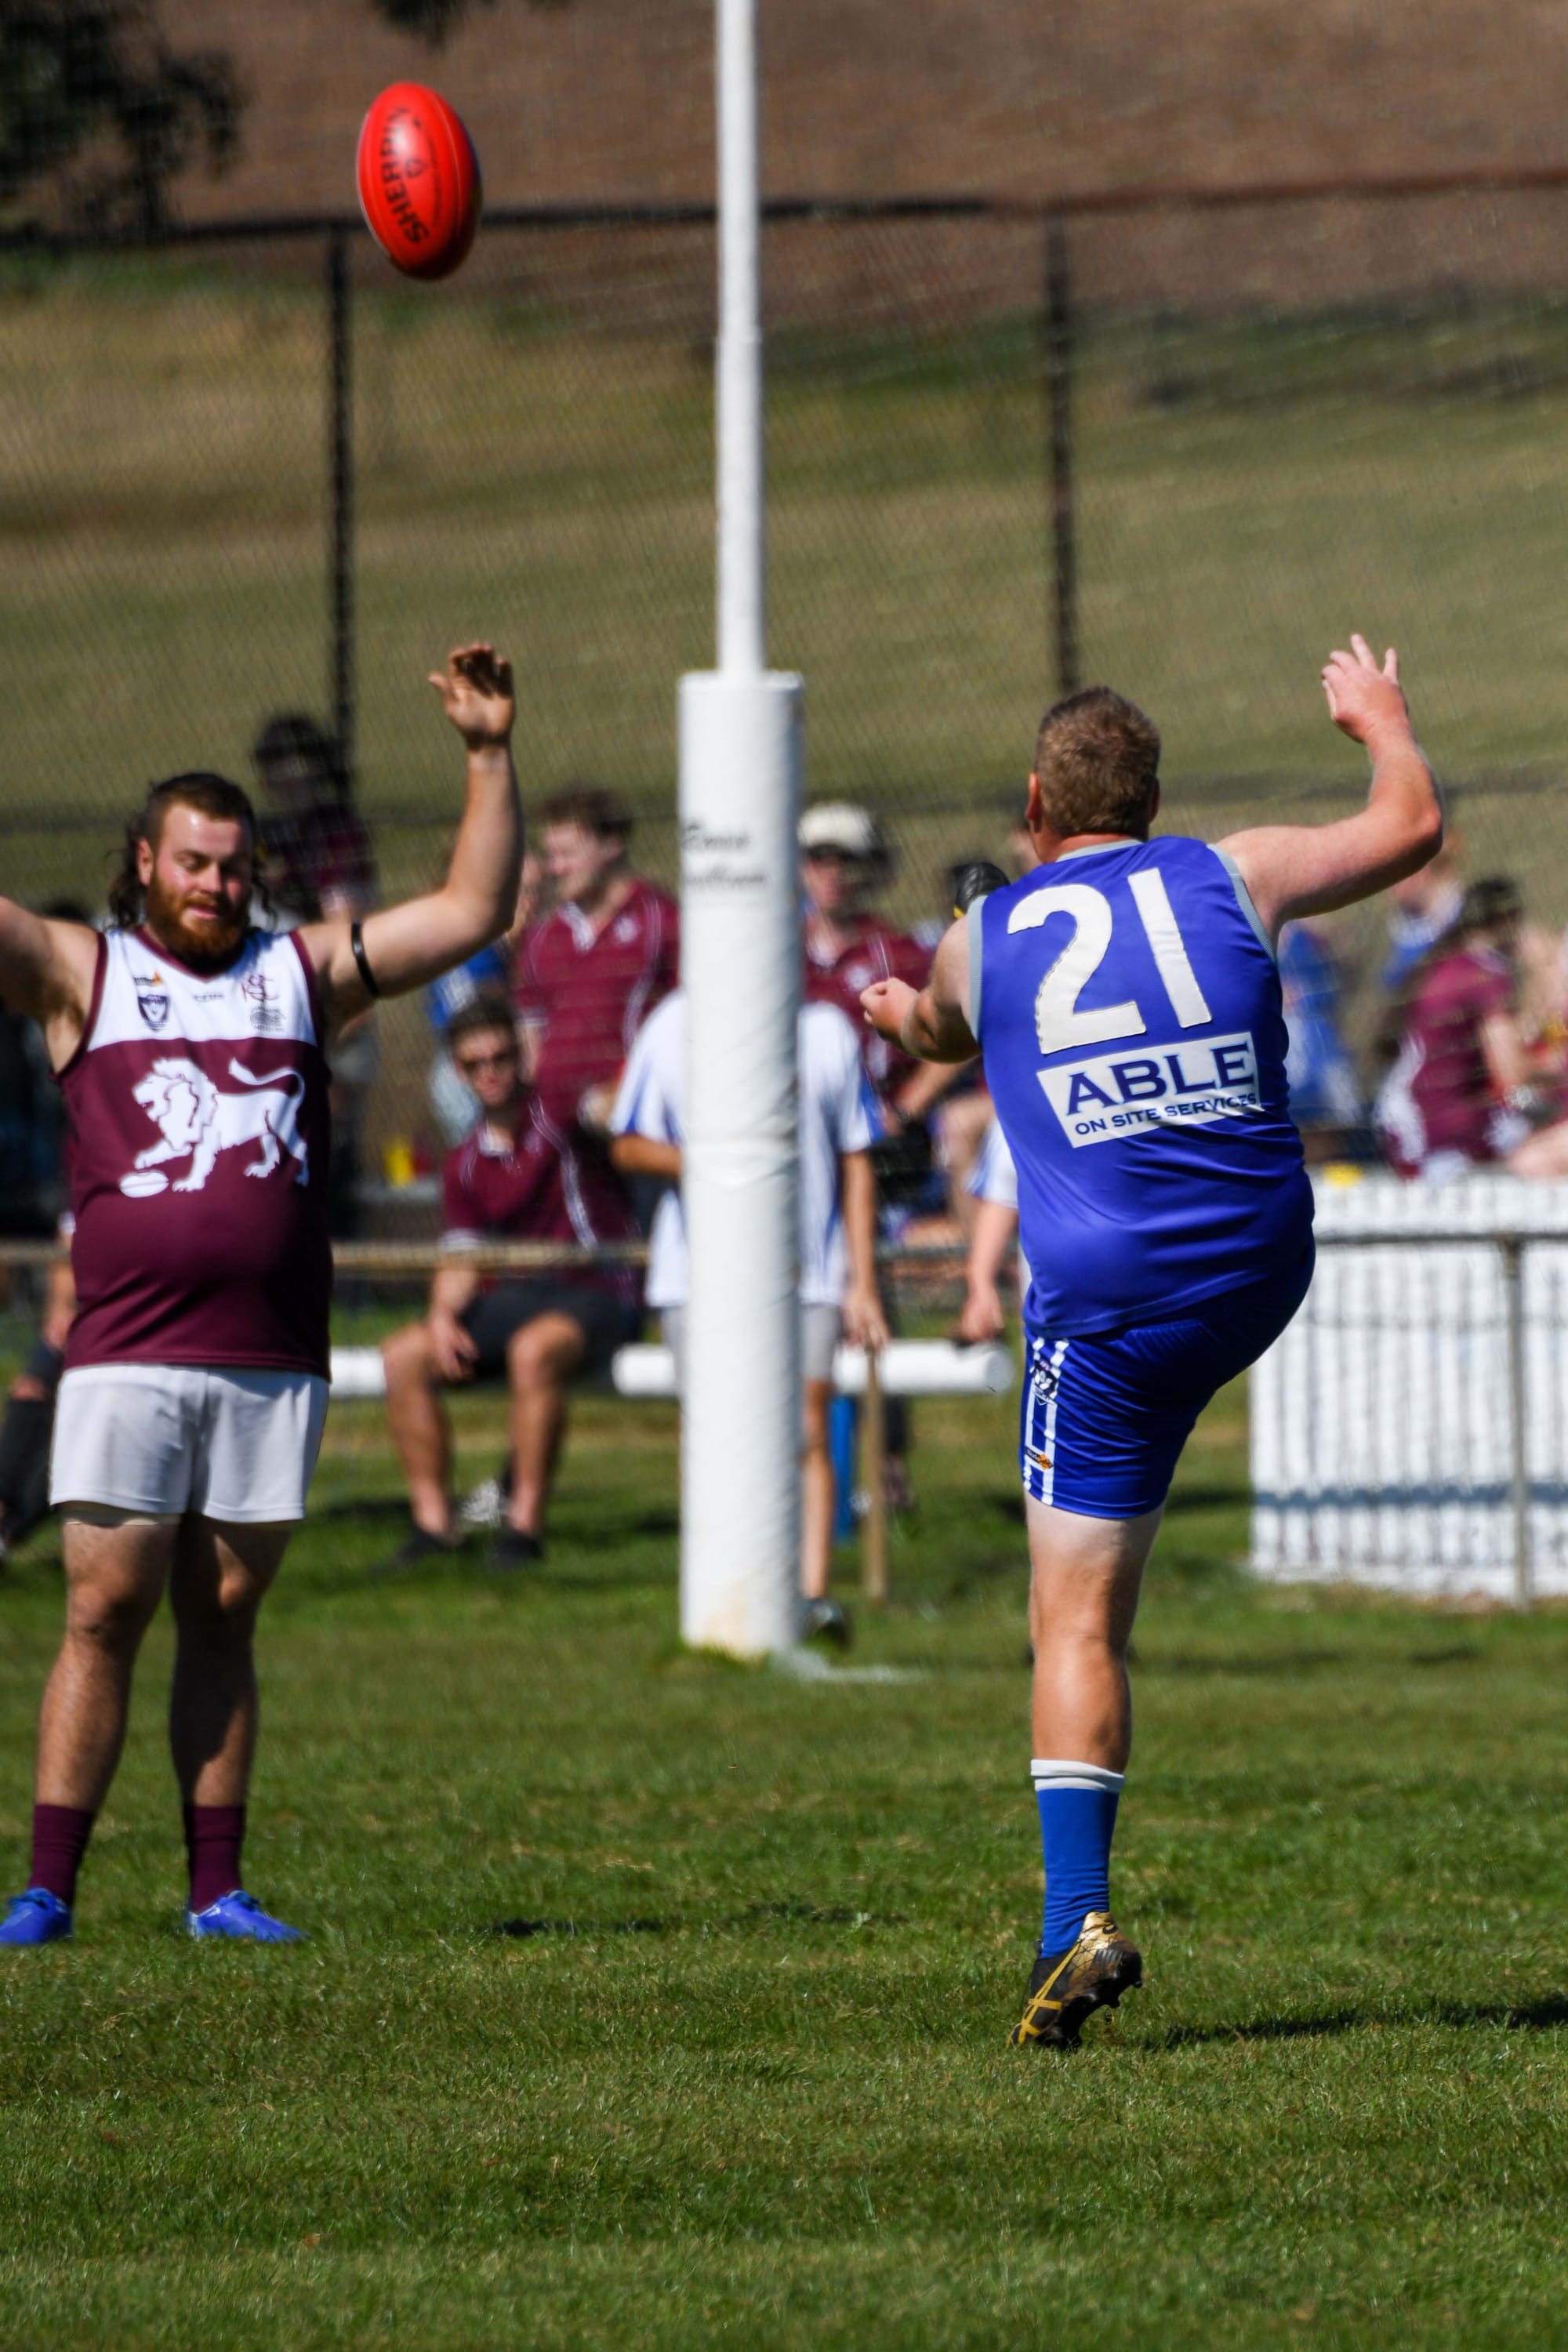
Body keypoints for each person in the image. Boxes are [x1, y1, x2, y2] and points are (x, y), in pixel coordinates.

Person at [860, 637, 1442, 2049]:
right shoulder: (1232, 870)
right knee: (1156, 1416)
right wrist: (1379, 715)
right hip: (1256, 1266)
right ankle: (1073, 1924)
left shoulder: (984, 931)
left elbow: (939, 1030)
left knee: (1074, 1618)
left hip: (1112, 1312)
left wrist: (901, 1014)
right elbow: (1410, 827)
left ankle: (1077, 1926)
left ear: (1034, 806)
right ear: (1152, 798)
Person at [0, 643, 522, 1948]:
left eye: (234, 866)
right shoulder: (86, 972)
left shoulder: (301, 971)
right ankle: (47, 1890)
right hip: (125, 1351)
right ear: (144, 863)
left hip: (267, 1355)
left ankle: (215, 1891)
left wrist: (487, 750)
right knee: (101, 1609)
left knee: (224, 1612)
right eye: (194, 863)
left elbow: (469, 911)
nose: (218, 885)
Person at [608, 988, 888, 1643]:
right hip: (696, 1275)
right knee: (713, 1435)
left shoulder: (827, 1033)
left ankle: (812, 1597)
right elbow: (627, 1142)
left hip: (809, 1270)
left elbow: (856, 1160)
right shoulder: (672, 1025)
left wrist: (863, 1281)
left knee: (807, 1429)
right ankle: (723, 1599)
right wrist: (709, 1162)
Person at [379, 991, 641, 1572]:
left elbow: (607, 1105)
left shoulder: (561, 1117)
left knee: (532, 1351)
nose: (492, 1073)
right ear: (458, 1071)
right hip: (519, 1298)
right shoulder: (465, 1162)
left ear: (521, 1057)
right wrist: (442, 1318)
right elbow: (462, 1259)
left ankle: (522, 1529)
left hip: (594, 1288)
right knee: (402, 1355)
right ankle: (434, 1526)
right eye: (475, 1064)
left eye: (501, 1058)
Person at [514, 784, 678, 1144]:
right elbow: (531, 1038)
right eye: (550, 855)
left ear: (611, 844)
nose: (555, 868)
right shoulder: (544, 936)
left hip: (634, 1129)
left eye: (567, 853)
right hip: (559, 1135)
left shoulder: (661, 921)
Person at [1376, 876, 1568, 1181]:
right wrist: (1556, 1065)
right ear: (1510, 922)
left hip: (1402, 1116)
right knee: (1533, 1133)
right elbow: (1513, 1074)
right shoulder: (1486, 975)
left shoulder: (1449, 962)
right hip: (1441, 1125)